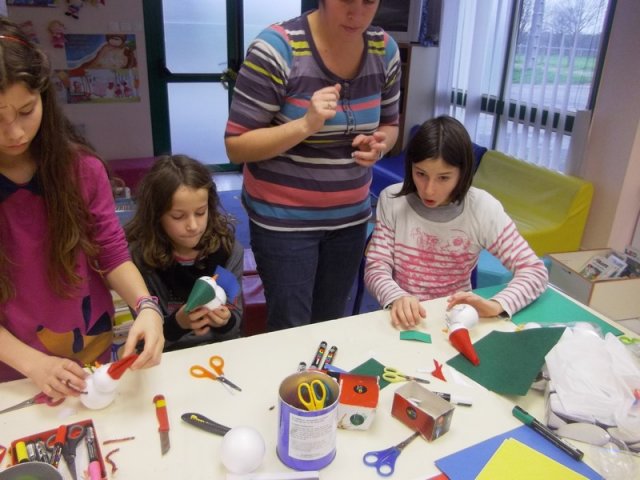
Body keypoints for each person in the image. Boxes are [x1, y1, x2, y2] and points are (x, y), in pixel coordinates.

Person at [0, 17, 163, 394]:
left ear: (44, 96)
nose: (16, 133)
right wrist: (33, 363)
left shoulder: (82, 170)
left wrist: (147, 307)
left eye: (26, 111)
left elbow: (112, 254)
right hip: (13, 373)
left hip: (91, 352)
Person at [224, 0, 401, 331]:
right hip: (285, 223)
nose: (357, 13)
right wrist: (305, 124)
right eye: (346, 0)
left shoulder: (384, 50)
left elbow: (390, 125)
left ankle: (320, 384)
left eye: (369, 2)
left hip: (350, 220)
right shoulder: (278, 48)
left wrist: (379, 145)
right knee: (291, 327)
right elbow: (237, 146)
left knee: (329, 324)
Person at [364, 116, 549, 329]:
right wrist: (396, 297)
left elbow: (534, 270)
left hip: (456, 320)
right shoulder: (393, 199)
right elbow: (376, 266)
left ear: (463, 173)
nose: (429, 189)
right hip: (403, 320)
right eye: (421, 174)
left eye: (443, 178)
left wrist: (497, 304)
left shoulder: (482, 208)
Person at [125, 155, 243, 351]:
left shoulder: (228, 251)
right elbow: (145, 340)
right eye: (178, 216)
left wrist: (225, 321)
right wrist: (177, 324)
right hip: (167, 355)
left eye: (200, 212)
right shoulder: (140, 259)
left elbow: (236, 325)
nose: (193, 225)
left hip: (221, 351)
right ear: (156, 215)